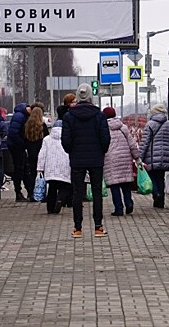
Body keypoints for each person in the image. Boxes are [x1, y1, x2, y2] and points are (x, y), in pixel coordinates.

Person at [62, 83, 111, 238]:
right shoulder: (99, 115)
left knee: (77, 192)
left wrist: (72, 152)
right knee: (97, 192)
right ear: (91, 96)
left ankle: (77, 228)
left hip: (77, 159)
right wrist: (101, 152)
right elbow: (105, 139)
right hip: (96, 159)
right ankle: (98, 227)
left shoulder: (69, 116)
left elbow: (66, 141)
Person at [102, 107, 140, 216]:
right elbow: (132, 144)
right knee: (126, 183)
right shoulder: (123, 128)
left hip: (110, 160)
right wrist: (137, 157)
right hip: (125, 159)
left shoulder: (103, 128)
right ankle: (129, 203)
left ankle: (119, 209)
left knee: (115, 185)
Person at [139, 103, 169, 209]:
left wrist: (140, 158)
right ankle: (160, 203)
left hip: (151, 157)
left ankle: (156, 194)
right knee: (160, 178)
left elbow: (144, 143)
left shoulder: (150, 125)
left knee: (152, 177)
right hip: (165, 157)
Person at [37, 122, 71, 214]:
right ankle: (60, 199)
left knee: (52, 188)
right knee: (65, 186)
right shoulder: (68, 138)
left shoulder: (47, 139)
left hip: (50, 168)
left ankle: (50, 208)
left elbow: (42, 154)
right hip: (65, 166)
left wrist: (40, 168)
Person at [6, 103, 31, 202]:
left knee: (23, 167)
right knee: (19, 168)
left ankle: (24, 191)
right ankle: (19, 192)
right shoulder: (20, 116)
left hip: (16, 145)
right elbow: (13, 133)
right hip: (16, 146)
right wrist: (23, 144)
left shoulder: (21, 115)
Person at [24, 106, 50, 202]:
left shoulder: (27, 125)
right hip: (41, 152)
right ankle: (42, 194)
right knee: (42, 173)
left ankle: (31, 194)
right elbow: (47, 138)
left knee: (32, 173)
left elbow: (24, 138)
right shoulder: (42, 126)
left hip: (31, 152)